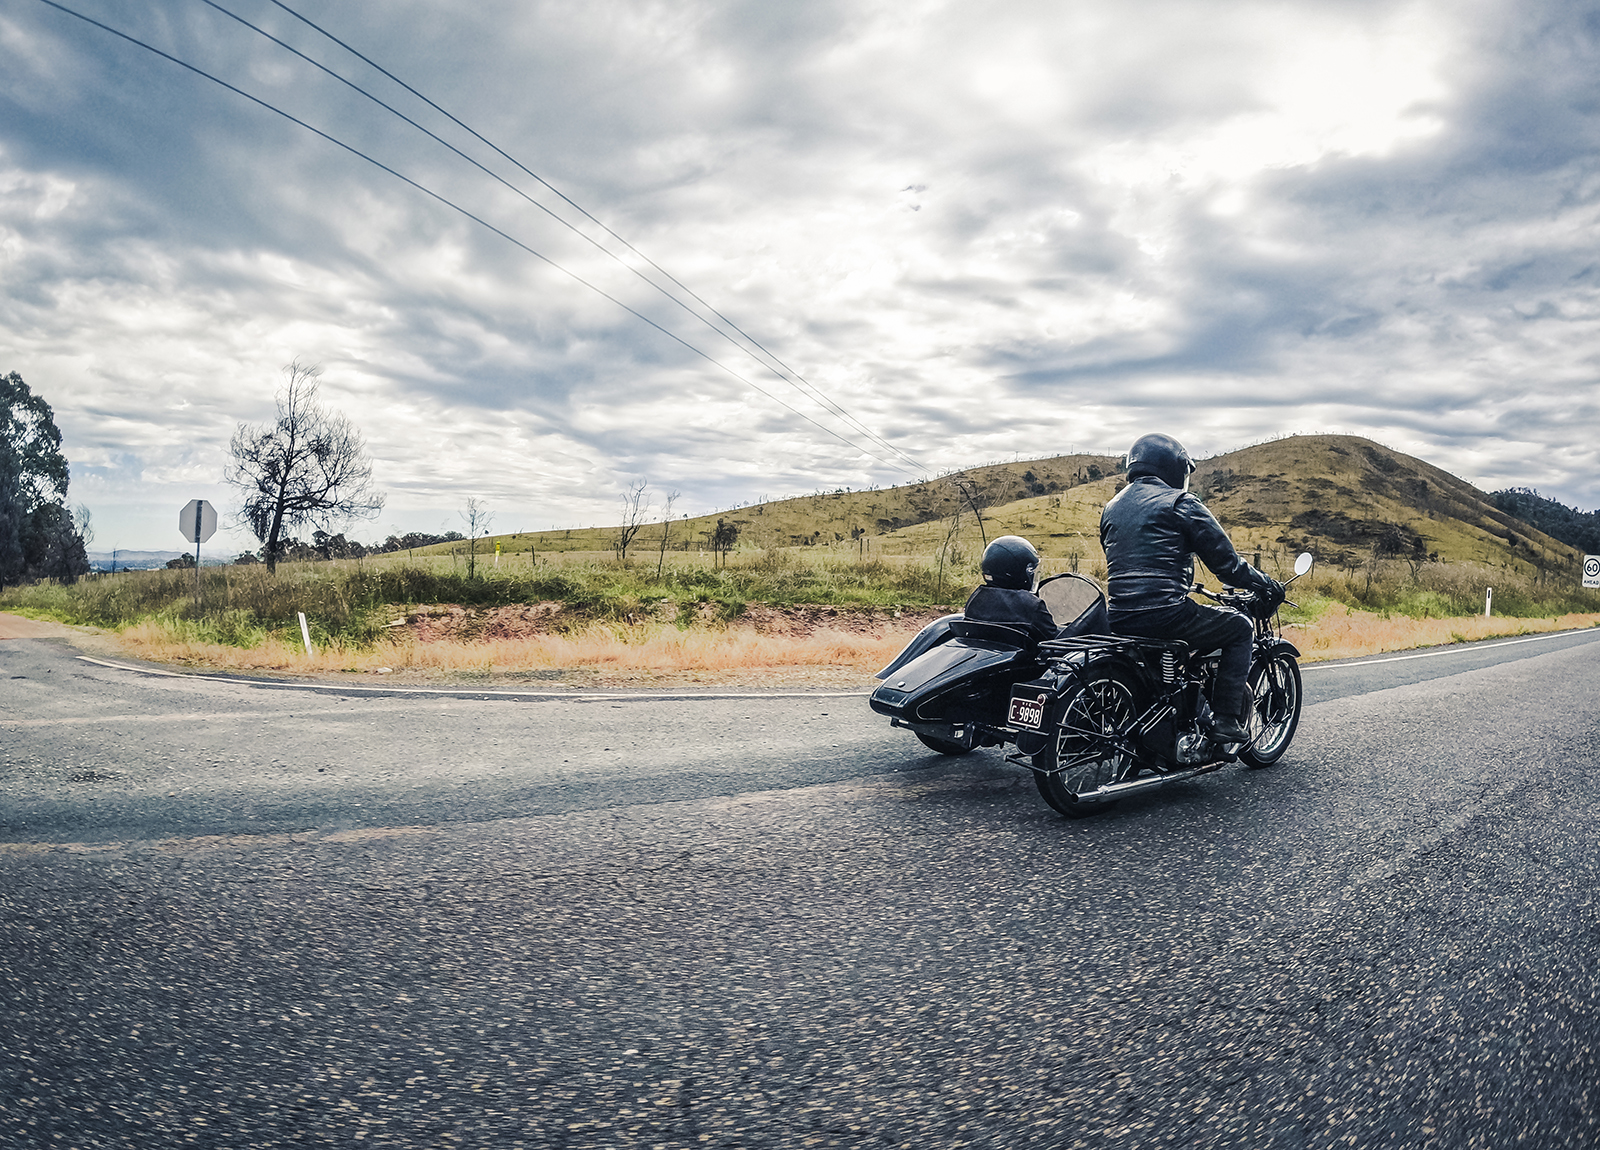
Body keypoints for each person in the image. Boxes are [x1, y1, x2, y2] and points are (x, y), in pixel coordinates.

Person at [1099, 433, 1284, 743]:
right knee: (1239, 626)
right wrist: (1266, 584)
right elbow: (1227, 565)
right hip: (1167, 614)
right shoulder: (1179, 502)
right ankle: (1225, 719)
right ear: (1174, 468)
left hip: (1118, 615)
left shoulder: (1111, 508)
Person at [963, 535, 1061, 640]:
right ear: (1017, 571)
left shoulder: (976, 599)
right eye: (1030, 570)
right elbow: (1056, 640)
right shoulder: (1030, 605)